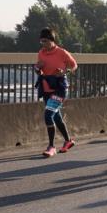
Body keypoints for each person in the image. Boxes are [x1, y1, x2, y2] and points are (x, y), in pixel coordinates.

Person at [35, 28, 77, 158]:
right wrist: (37, 69)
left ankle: (51, 147)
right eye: (41, 41)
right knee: (56, 116)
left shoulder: (62, 52)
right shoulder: (41, 53)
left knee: (48, 115)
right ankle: (68, 141)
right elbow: (39, 69)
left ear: (52, 40)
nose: (43, 44)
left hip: (60, 88)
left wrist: (64, 72)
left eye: (46, 41)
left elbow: (74, 65)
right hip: (46, 87)